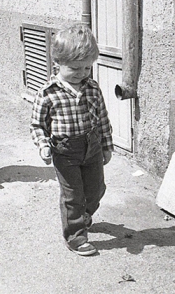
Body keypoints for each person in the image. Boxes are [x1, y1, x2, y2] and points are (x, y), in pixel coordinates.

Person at [30, 24, 113, 256]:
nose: (82, 73)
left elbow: (103, 119)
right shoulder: (47, 93)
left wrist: (106, 145)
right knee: (72, 195)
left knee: (95, 189)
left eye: (87, 67)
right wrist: (43, 146)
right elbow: (37, 124)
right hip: (65, 151)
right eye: (75, 68)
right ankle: (75, 236)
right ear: (58, 62)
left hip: (92, 146)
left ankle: (84, 214)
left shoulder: (93, 89)